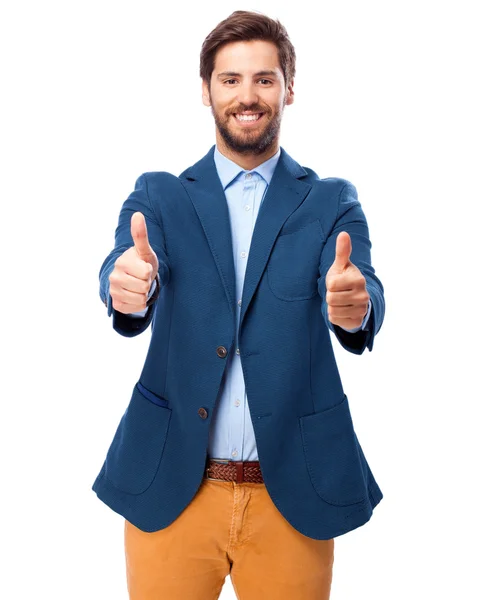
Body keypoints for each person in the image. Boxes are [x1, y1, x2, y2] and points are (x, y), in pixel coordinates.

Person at [92, 9, 385, 600]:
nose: (247, 96)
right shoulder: (161, 194)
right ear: (206, 90)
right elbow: (126, 263)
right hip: (173, 489)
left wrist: (355, 309)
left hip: (293, 496)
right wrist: (125, 287)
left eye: (264, 79)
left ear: (288, 89)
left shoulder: (330, 201)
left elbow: (362, 287)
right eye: (230, 80)